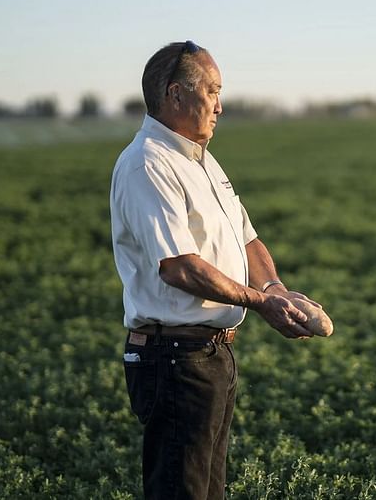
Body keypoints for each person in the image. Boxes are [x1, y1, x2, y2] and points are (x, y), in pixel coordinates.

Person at [110, 40, 320, 500]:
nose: (220, 106)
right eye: (212, 92)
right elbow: (179, 267)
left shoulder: (201, 161)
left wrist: (275, 287)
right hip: (173, 358)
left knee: (208, 491)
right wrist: (261, 303)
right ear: (176, 95)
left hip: (211, 356)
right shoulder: (149, 162)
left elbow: (247, 240)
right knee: (180, 491)